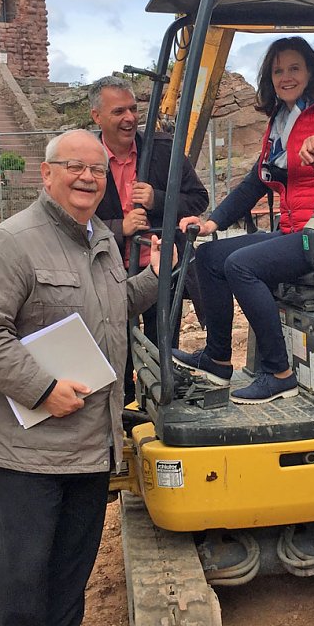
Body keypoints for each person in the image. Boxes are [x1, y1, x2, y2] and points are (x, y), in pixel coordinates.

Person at [0, 130, 170, 626]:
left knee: (74, 554)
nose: (87, 178)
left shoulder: (100, 236)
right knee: (25, 560)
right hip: (31, 442)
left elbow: (116, 308)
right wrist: (42, 389)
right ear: (46, 175)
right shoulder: (12, 243)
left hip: (89, 435)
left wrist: (156, 277)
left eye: (97, 171)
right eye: (74, 167)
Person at [172, 36, 314, 403]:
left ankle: (279, 373)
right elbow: (256, 182)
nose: (286, 76)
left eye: (294, 68)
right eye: (278, 70)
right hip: (297, 232)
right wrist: (213, 221)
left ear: (310, 71)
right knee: (209, 258)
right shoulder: (280, 121)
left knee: (241, 266)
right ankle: (216, 359)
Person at [90, 75, 209, 402]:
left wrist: (159, 198)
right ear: (97, 117)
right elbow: (70, 217)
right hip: (108, 273)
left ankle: (159, 409)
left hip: (160, 270)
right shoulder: (85, 158)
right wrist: (119, 227)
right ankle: (126, 413)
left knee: (162, 347)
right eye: (118, 112)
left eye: (132, 109)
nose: (129, 118)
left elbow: (199, 198)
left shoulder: (162, 151)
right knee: (118, 347)